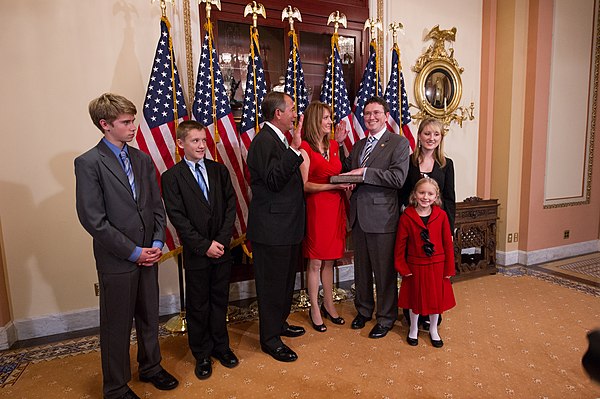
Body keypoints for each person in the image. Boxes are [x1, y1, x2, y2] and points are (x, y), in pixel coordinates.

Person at [75, 93, 178, 399]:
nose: (133, 126)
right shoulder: (89, 163)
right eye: (126, 122)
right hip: (118, 259)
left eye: (133, 120)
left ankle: (151, 367)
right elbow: (93, 219)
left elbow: (156, 207)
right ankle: (116, 387)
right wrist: (133, 252)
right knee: (116, 325)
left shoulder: (143, 159)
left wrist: (157, 242)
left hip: (150, 253)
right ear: (105, 125)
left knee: (149, 315)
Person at [161, 120, 238, 381]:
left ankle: (221, 346)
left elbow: (230, 206)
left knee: (219, 301)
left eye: (204, 140)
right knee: (198, 305)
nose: (202, 145)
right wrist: (204, 246)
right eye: (195, 141)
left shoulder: (219, 170)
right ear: (181, 144)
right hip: (197, 253)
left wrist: (221, 240)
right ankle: (202, 353)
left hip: (221, 249)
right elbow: (178, 217)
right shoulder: (172, 177)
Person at [340, 96, 410, 339]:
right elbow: (346, 170)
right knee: (361, 269)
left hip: (383, 218)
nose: (371, 117)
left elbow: (398, 179)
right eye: (367, 113)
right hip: (359, 216)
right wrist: (339, 145)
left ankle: (386, 317)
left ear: (386, 115)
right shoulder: (358, 145)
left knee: (384, 271)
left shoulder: (399, 143)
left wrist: (366, 172)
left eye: (376, 113)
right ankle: (364, 310)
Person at [247, 91, 306, 362]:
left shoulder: (278, 139)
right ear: (278, 114)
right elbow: (273, 181)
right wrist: (295, 149)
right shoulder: (263, 141)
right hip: (272, 231)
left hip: (287, 228)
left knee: (284, 285)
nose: (295, 114)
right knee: (271, 287)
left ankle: (279, 325)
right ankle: (270, 339)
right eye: (292, 109)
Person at [299, 102, 352, 332]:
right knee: (316, 261)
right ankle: (315, 309)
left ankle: (329, 305)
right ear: (314, 120)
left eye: (330, 117)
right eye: (326, 118)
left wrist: (344, 183)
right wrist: (333, 187)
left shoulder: (332, 144)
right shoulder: (304, 147)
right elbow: (306, 185)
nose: (330, 122)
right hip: (317, 209)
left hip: (336, 208)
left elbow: (336, 172)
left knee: (330, 260)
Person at [399, 117, 456, 330]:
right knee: (414, 272)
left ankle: (431, 312)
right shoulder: (409, 161)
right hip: (413, 227)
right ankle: (412, 311)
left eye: (436, 134)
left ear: (441, 138)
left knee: (434, 274)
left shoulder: (446, 165)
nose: (431, 138)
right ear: (420, 136)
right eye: (427, 133)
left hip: (437, 226)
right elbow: (402, 194)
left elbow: (449, 198)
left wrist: (448, 229)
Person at [394, 177, 456, 348]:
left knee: (435, 301)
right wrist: (402, 266)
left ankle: (433, 329)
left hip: (438, 265)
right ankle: (413, 327)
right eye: (422, 193)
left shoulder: (442, 216)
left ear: (436, 197)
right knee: (415, 299)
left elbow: (447, 244)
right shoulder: (407, 217)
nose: (425, 197)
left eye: (430, 194)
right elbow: (400, 245)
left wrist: (449, 267)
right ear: (415, 194)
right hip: (415, 266)